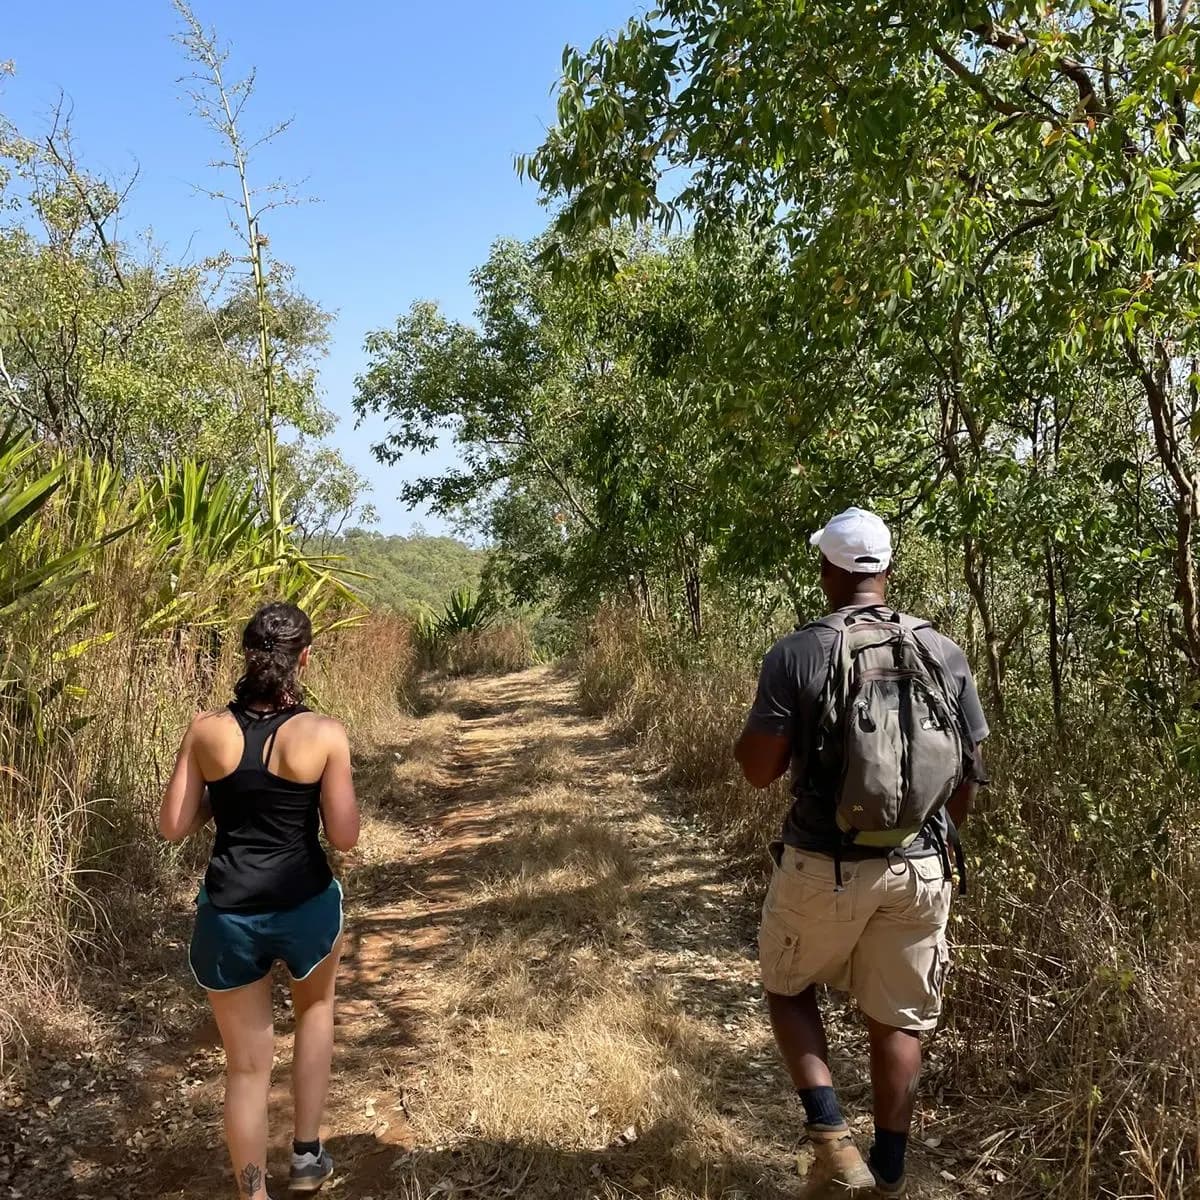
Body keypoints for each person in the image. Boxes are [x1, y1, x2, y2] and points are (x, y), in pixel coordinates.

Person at [734, 508, 989, 1197]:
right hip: (923, 865)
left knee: (787, 986)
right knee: (899, 1018)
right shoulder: (944, 649)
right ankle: (891, 1169)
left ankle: (831, 1139)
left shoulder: (800, 652)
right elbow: (968, 774)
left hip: (825, 862)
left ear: (828, 571)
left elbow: (758, 769)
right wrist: (937, 839)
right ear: (885, 571)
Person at [158, 602, 360, 1200]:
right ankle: (305, 1156)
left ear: (246, 656)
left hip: (228, 915)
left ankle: (252, 1193)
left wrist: (224, 799)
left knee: (246, 1067)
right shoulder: (323, 733)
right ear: (304, 656)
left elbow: (173, 825)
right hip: (304, 906)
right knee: (314, 1014)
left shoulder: (205, 729)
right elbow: (344, 835)